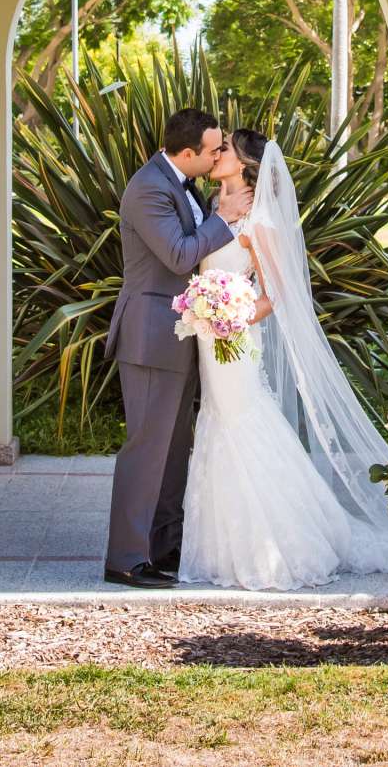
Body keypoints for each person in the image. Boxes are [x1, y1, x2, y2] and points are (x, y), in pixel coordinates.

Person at [176, 130, 388, 590]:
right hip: (209, 338)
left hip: (236, 338)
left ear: (246, 164)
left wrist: (235, 317)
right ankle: (222, 545)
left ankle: (278, 544)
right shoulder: (213, 209)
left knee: (243, 422)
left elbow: (277, 291)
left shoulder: (259, 220)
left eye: (225, 148)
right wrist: (204, 311)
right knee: (218, 422)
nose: (216, 153)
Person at [103, 107, 237, 589]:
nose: (221, 153)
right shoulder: (148, 188)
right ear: (187, 153)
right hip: (150, 335)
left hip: (179, 335)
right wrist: (223, 219)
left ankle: (162, 548)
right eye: (214, 149)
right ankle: (125, 558)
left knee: (174, 449)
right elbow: (179, 253)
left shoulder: (187, 184)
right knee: (146, 448)